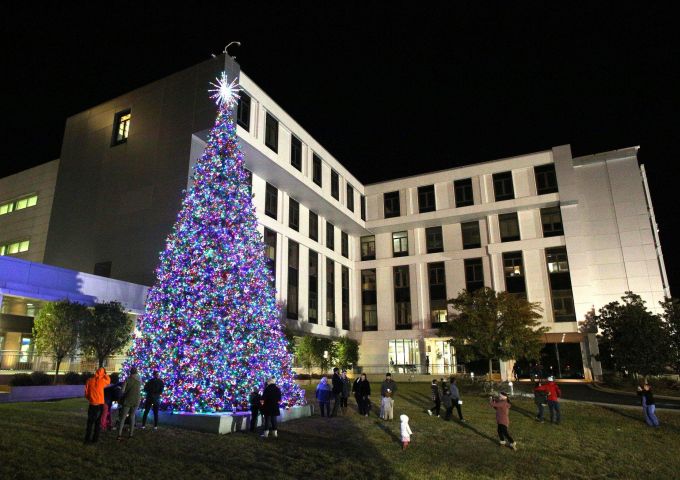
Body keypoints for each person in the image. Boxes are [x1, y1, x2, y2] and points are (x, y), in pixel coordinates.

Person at [84, 367, 111, 444]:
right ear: (102, 373)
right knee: (97, 422)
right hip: (100, 404)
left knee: (89, 422)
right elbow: (109, 381)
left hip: (92, 404)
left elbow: (86, 393)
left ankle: (87, 439)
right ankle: (95, 439)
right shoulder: (102, 381)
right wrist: (105, 374)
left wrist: (90, 399)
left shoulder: (89, 380)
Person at [117, 366, 142, 440]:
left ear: (130, 372)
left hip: (128, 400)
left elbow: (122, 391)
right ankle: (131, 434)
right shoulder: (140, 380)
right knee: (132, 416)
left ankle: (119, 434)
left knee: (123, 418)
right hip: (137, 400)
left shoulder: (128, 379)